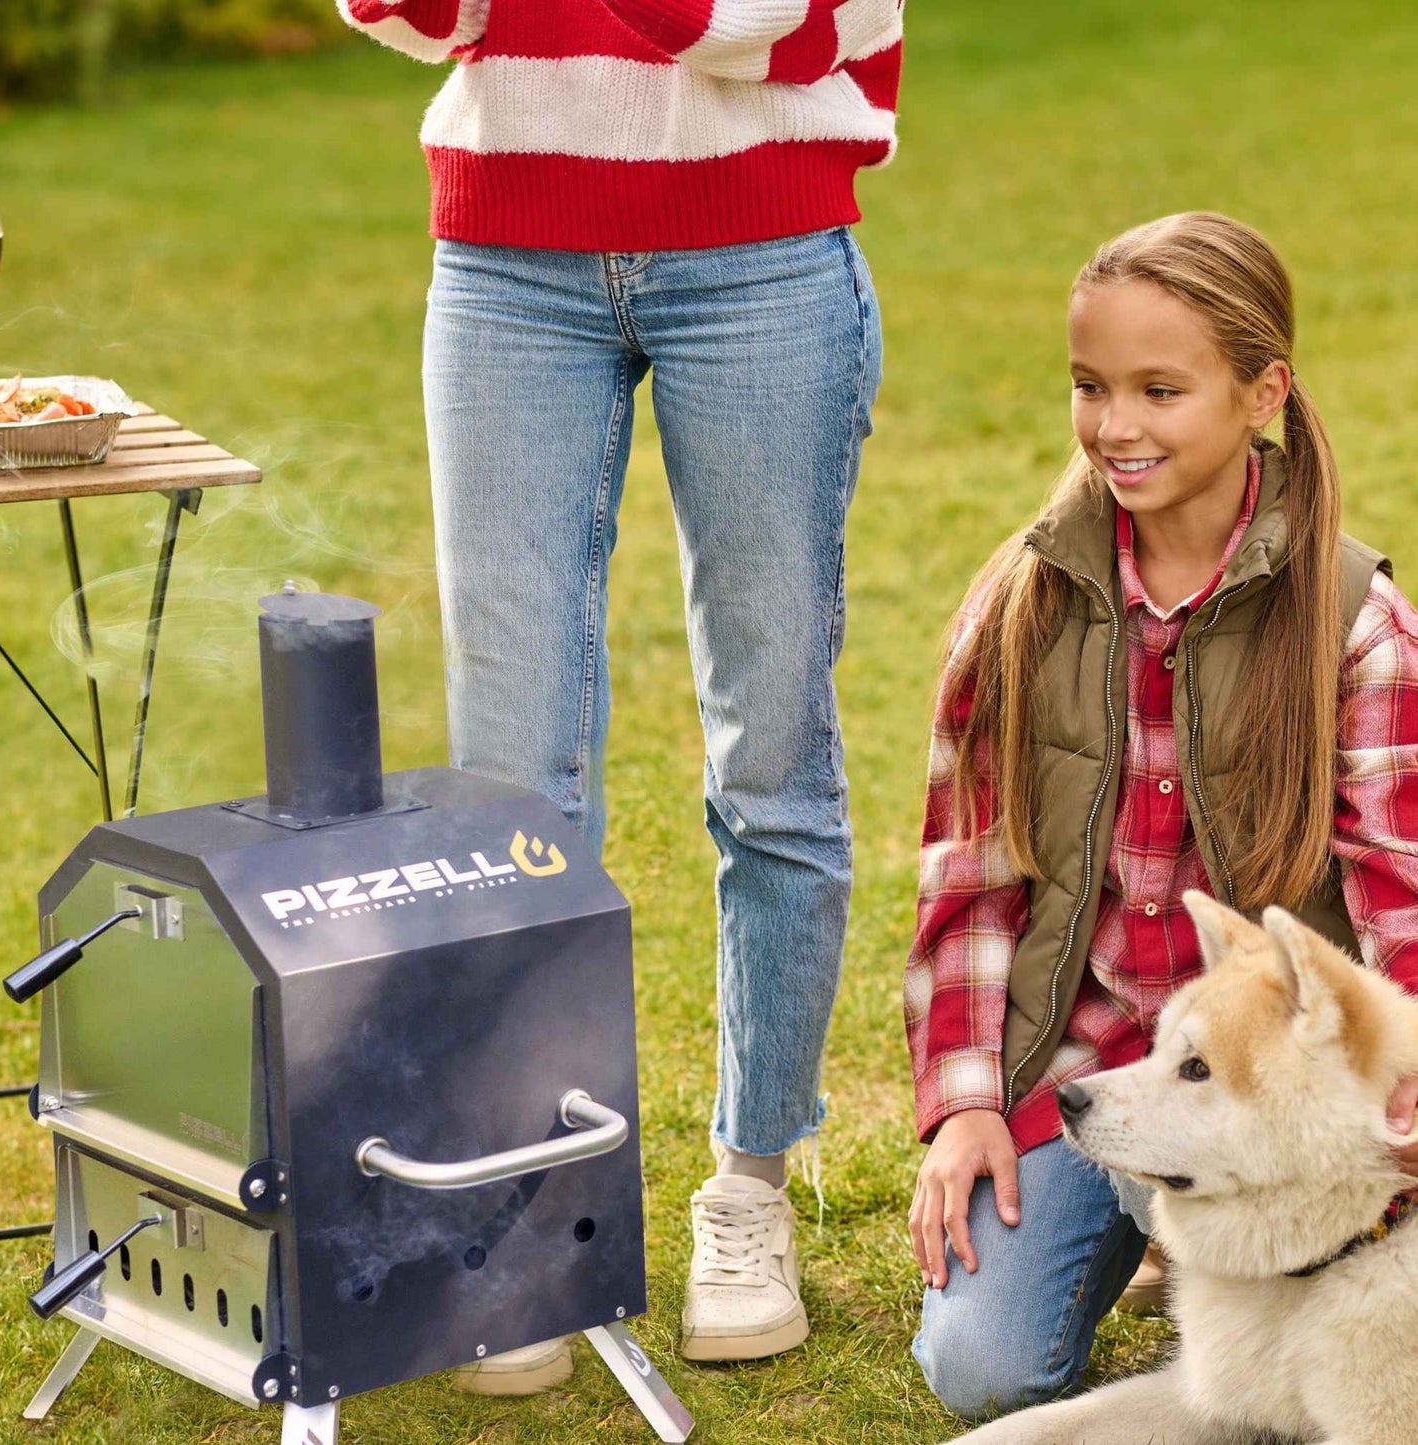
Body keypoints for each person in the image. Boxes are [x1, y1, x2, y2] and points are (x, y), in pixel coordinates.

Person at [335, 0, 904, 1384]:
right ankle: (530, 1210)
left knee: (769, 752)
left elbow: (800, 31)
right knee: (509, 777)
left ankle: (748, 1187)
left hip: (763, 258)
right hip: (506, 262)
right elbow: (409, 13)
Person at [902, 211, 1418, 1420]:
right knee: (980, 1367)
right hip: (1077, 1068)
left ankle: (1205, 1235)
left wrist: (1399, 1100)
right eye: (1089, 387)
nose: (1113, 425)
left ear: (1260, 392)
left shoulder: (1354, 625)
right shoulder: (1020, 601)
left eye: (1157, 388)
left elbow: (1403, 892)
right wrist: (968, 1099)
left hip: (1261, 1098)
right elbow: (967, 878)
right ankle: (1169, 1232)